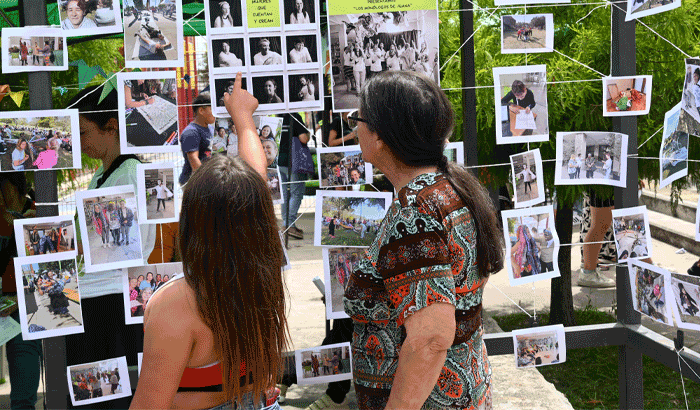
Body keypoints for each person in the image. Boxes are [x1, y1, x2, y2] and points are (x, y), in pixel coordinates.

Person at [343, 71, 503, 409]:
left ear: (380, 136)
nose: (354, 128)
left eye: (358, 119)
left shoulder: (415, 213)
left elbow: (430, 340)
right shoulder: (448, 187)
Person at [130, 72, 286, 410]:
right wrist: (243, 119)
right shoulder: (262, 269)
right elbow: (255, 186)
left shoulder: (177, 304)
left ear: (192, 221)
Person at [64, 83, 156, 409]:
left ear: (111, 126)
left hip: (111, 301)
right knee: (93, 396)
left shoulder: (130, 172)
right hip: (93, 298)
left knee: (107, 396)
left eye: (83, 132)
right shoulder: (100, 176)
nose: (79, 142)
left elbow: (133, 243)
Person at [278, 113, 311, 240]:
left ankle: (286, 224)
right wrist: (308, 132)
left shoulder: (277, 117)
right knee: (296, 193)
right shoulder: (295, 117)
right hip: (295, 161)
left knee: (284, 194)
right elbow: (303, 138)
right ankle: (289, 225)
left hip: (279, 160)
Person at [180, 93, 216, 185]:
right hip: (194, 183)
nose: (215, 113)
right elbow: (194, 160)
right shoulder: (191, 132)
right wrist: (207, 183)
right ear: (201, 110)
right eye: (212, 109)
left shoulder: (211, 129)